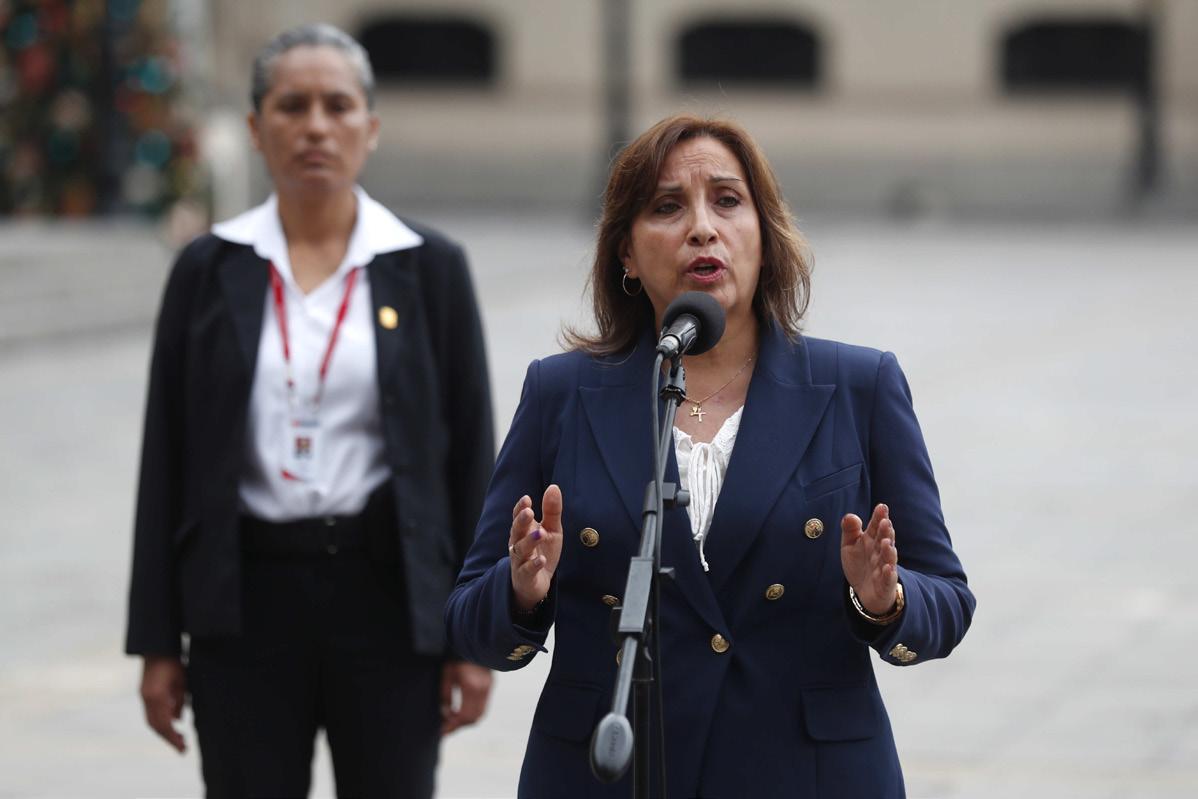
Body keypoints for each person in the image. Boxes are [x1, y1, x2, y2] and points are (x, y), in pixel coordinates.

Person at [445, 114, 976, 798]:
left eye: (727, 201)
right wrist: (520, 590)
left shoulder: (860, 385)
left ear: (764, 233)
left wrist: (885, 600)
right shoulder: (561, 393)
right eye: (668, 207)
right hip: (611, 772)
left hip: (807, 773)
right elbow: (470, 620)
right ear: (627, 253)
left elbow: (947, 601)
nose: (702, 228)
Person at [125, 24, 494, 798]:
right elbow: (167, 455)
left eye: (338, 105)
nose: (317, 126)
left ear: (371, 126)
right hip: (244, 601)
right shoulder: (208, 268)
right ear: (256, 128)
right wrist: (157, 640)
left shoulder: (429, 267)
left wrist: (470, 636)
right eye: (292, 107)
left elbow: (468, 458)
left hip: (388, 597)